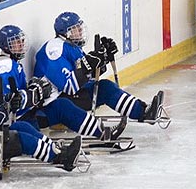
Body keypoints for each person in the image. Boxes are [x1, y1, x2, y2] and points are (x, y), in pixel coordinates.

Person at [0, 24, 124, 141]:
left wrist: (100, 61)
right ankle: (62, 154)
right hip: (19, 120)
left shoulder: (12, 63)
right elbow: (10, 102)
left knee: (61, 105)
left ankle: (101, 133)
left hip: (30, 114)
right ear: (5, 46)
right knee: (39, 139)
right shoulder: (4, 66)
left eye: (21, 40)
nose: (21, 45)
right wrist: (34, 94)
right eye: (15, 42)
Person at [33, 12, 164, 124]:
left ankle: (143, 111)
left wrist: (103, 58)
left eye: (80, 28)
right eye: (75, 29)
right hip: (53, 105)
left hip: (69, 97)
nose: (80, 32)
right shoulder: (54, 49)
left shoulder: (72, 47)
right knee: (104, 89)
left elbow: (89, 76)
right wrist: (88, 64)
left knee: (105, 86)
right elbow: (69, 87)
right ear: (65, 33)